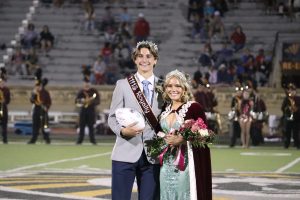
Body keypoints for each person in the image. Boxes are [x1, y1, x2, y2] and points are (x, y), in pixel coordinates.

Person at [108, 41, 162, 200]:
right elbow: (112, 118)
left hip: (152, 156)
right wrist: (123, 131)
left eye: (148, 56)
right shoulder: (123, 85)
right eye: (140, 56)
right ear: (135, 60)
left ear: (155, 60)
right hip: (125, 153)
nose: (144, 60)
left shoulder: (164, 87)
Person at [159, 69, 212, 199]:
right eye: (169, 86)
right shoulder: (165, 109)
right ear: (165, 89)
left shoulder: (194, 107)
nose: (173, 89)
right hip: (166, 165)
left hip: (186, 166)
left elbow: (206, 135)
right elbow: (159, 133)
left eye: (177, 85)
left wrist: (182, 139)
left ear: (184, 88)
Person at [75, 69, 100, 145]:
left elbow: (98, 101)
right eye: (85, 83)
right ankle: (80, 140)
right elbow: (76, 101)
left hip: (91, 111)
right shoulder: (81, 92)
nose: (86, 84)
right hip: (83, 111)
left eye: (88, 83)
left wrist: (90, 101)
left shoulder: (94, 91)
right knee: (81, 126)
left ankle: (93, 140)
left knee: (91, 127)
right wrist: (82, 101)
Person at [28, 69, 51, 144]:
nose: (37, 87)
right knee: (35, 125)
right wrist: (34, 94)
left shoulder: (45, 92)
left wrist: (46, 107)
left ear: (41, 85)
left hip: (43, 110)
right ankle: (33, 139)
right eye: (36, 86)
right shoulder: (34, 92)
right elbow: (31, 101)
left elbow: (49, 102)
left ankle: (47, 139)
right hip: (37, 109)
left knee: (45, 125)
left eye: (38, 86)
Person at [281, 83, 300, 149]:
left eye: (292, 90)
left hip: (297, 118)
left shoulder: (298, 99)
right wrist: (287, 108)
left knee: (296, 132)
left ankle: (297, 144)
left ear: (295, 91)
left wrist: (296, 109)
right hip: (288, 117)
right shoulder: (286, 99)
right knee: (287, 132)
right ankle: (286, 144)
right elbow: (282, 108)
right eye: (290, 90)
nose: (291, 92)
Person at [228, 82, 242, 147]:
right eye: (238, 91)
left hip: (241, 116)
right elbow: (231, 107)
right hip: (235, 116)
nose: (239, 93)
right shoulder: (234, 99)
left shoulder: (243, 99)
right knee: (233, 131)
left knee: (242, 130)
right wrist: (235, 107)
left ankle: (242, 143)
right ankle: (232, 143)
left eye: (240, 91)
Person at [0, 68, 10, 144]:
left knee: (4, 124)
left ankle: (5, 139)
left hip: (4, 108)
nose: (2, 83)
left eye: (3, 82)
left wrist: (5, 101)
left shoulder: (7, 90)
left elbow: (8, 100)